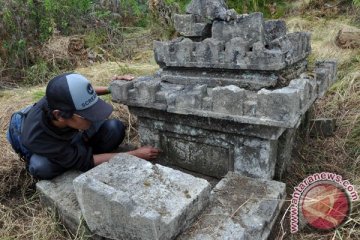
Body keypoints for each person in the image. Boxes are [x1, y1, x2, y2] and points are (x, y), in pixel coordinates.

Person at [6, 72, 161, 180]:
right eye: (87, 115)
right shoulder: (37, 137)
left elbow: (84, 93)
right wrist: (135, 155)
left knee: (115, 129)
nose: (94, 117)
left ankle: (76, 151)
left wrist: (113, 87)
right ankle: (72, 156)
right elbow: (86, 163)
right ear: (59, 115)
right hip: (44, 147)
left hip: (69, 134)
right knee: (41, 167)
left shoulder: (58, 96)